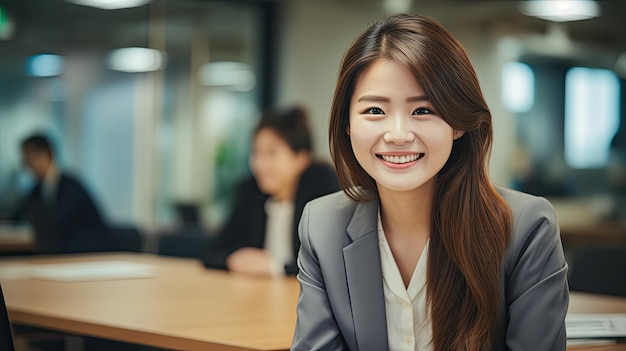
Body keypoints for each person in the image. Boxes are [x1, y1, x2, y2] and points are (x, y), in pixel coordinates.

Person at [292, 14, 568, 351]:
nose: (397, 135)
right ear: (347, 123)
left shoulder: (526, 228)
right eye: (375, 111)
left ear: (458, 123)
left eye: (422, 110)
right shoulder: (322, 227)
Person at [202, 107, 340, 277]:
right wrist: (235, 259)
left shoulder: (322, 190)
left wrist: (275, 266)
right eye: (256, 152)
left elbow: (333, 263)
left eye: (271, 153)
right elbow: (213, 253)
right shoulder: (251, 191)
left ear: (301, 158)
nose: (259, 164)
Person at [4, 134, 110, 253]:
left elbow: (57, 222)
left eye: (28, 158)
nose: (26, 165)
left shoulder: (71, 186)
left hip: (86, 254)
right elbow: (17, 214)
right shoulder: (37, 189)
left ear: (45, 155)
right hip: (60, 256)